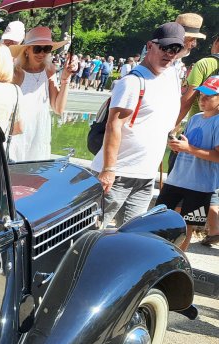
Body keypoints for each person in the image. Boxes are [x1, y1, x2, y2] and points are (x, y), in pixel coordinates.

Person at [92, 22, 185, 227]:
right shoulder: (132, 82)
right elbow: (113, 126)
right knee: (93, 232)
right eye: (165, 47)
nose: (170, 53)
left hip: (146, 175)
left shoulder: (169, 76)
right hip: (118, 175)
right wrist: (108, 169)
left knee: (133, 236)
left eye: (176, 49)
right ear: (150, 46)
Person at [159, 77, 219, 249]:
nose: (203, 98)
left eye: (210, 95)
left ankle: (179, 259)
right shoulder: (196, 118)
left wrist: (188, 149)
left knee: (187, 226)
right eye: (202, 94)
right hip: (176, 180)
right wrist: (177, 146)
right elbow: (187, 144)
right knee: (160, 220)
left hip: (200, 186)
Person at [176, 31, 219, 244]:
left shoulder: (203, 64)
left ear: (216, 42)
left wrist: (174, 125)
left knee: (186, 207)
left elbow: (188, 98)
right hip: (208, 135)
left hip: (196, 135)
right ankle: (213, 230)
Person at [7, 27, 71, 162]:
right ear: (27, 50)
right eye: (37, 48)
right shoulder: (16, 72)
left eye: (46, 48)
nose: (42, 53)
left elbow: (58, 109)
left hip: (40, 130)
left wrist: (66, 79)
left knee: (37, 175)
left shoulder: (49, 70)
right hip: (19, 130)